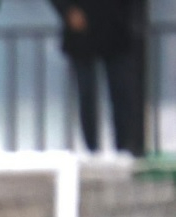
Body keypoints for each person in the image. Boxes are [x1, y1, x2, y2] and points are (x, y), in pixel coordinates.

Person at [48, 0, 145, 157]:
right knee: (87, 96)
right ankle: (92, 150)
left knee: (121, 95)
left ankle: (123, 149)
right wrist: (68, 11)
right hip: (82, 31)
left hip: (116, 27)